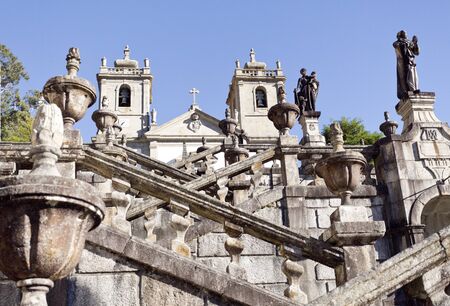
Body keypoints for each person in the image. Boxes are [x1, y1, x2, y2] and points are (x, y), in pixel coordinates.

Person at [393, 30, 420, 99]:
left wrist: (415, 43)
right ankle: (409, 90)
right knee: (406, 75)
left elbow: (416, 52)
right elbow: (395, 45)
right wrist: (404, 44)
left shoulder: (409, 42)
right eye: (404, 34)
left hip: (411, 61)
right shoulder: (398, 42)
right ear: (401, 35)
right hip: (404, 62)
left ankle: (414, 89)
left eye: (406, 34)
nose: (406, 35)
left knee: (413, 75)